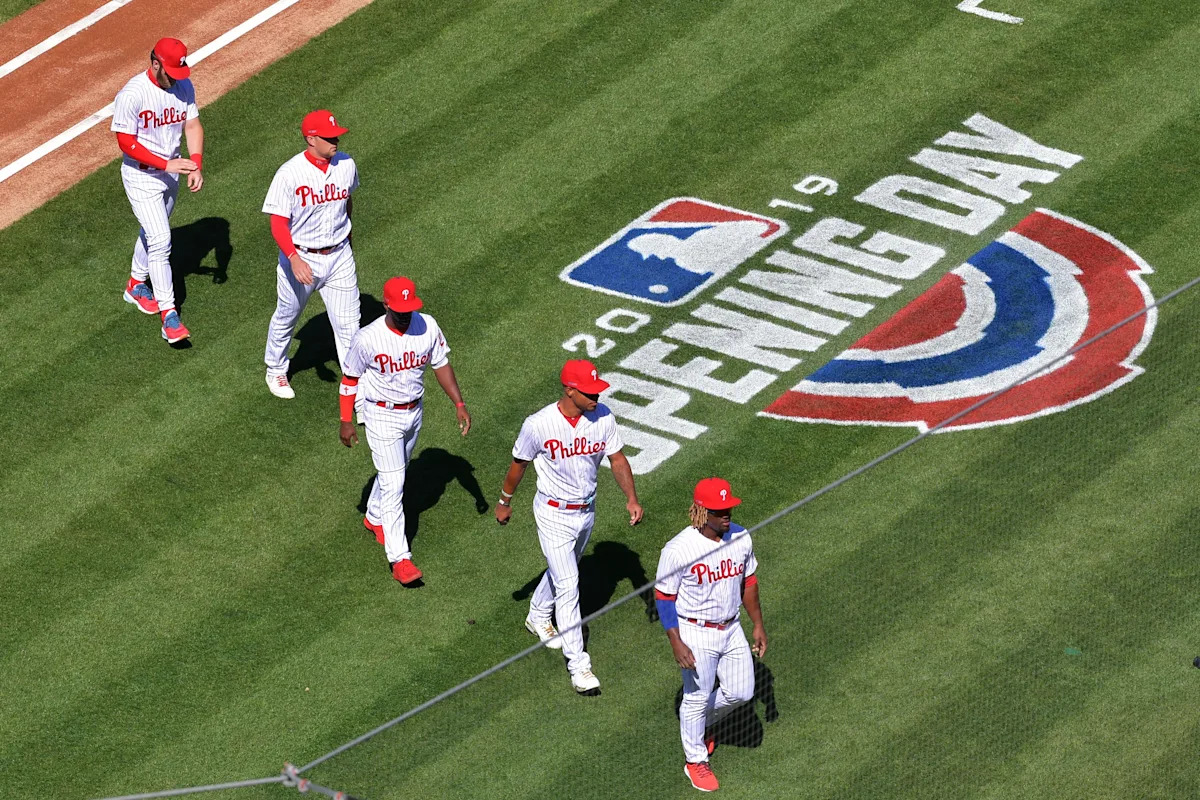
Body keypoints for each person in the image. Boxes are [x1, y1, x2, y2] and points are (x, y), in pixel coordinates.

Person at [495, 360, 643, 695]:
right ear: (569, 390)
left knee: (565, 570)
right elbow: (519, 464)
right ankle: (579, 666)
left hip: (586, 511)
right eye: (590, 391)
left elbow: (617, 459)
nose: (597, 395)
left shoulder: (602, 417)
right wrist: (505, 501)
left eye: (597, 389)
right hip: (552, 513)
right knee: (570, 584)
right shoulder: (539, 425)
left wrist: (631, 498)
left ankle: (537, 615)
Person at [338, 277, 470, 585]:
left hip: (414, 412)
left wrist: (459, 402)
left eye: (409, 308)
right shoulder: (367, 338)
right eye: (399, 309)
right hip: (381, 414)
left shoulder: (427, 326)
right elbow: (349, 380)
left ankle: (374, 517)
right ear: (386, 306)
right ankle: (401, 560)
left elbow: (441, 364)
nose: (406, 314)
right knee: (395, 482)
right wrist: (347, 420)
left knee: (396, 471)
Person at [654, 477, 767, 793]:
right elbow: (664, 597)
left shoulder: (741, 536)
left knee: (742, 692)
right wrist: (676, 640)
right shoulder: (679, 549)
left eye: (728, 507)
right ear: (702, 512)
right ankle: (695, 760)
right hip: (694, 631)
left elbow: (749, 582)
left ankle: (699, 722)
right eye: (719, 510)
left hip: (731, 629)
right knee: (697, 695)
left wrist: (757, 624)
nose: (726, 514)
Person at [262, 110, 362, 399]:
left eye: (337, 135)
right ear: (310, 139)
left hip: (340, 256)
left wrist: (350, 240)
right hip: (302, 257)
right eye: (329, 137)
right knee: (287, 315)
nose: (336, 141)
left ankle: (355, 388)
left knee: (349, 326)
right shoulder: (289, 174)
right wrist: (293, 258)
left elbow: (347, 202)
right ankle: (276, 369)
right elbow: (278, 222)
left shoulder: (346, 164)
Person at [111, 37, 204, 343]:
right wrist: (166, 164)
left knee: (153, 231)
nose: (176, 80)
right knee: (162, 239)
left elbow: (192, 126)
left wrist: (196, 163)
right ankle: (170, 316)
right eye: (170, 73)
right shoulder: (133, 94)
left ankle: (135, 284)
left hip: (171, 172)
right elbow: (126, 142)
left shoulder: (183, 87)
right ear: (155, 64)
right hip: (141, 176)